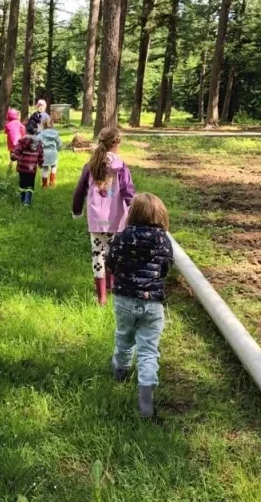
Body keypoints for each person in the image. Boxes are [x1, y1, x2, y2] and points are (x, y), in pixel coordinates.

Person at [107, 193, 173, 418]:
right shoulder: (163, 239)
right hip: (152, 304)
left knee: (124, 337)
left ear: (132, 213)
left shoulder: (122, 236)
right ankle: (146, 404)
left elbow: (111, 262)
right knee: (148, 351)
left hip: (125, 300)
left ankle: (120, 371)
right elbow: (165, 268)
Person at [71, 127, 136, 305]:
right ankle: (112, 287)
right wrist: (135, 212)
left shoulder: (90, 165)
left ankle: (101, 297)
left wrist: (77, 210)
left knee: (98, 254)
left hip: (97, 221)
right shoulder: (121, 167)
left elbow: (79, 191)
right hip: (116, 220)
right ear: (117, 143)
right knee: (114, 254)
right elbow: (128, 192)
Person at [10, 130, 45, 208]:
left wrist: (14, 157)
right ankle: (27, 202)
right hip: (32, 168)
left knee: (22, 184)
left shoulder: (22, 141)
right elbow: (41, 155)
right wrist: (40, 163)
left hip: (22, 167)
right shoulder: (39, 143)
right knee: (30, 185)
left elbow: (15, 152)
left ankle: (22, 199)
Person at [36, 117, 63, 188]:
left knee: (45, 169)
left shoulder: (41, 134)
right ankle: (52, 182)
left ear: (43, 125)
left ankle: (45, 185)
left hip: (44, 153)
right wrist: (58, 149)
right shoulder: (55, 133)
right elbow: (59, 143)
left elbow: (36, 142)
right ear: (52, 124)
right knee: (54, 166)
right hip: (53, 153)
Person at [3, 108, 25, 174]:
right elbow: (23, 129)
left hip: (11, 145)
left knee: (12, 157)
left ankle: (9, 168)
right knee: (19, 157)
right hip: (19, 144)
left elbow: (5, 131)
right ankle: (18, 170)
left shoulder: (8, 124)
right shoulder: (19, 123)